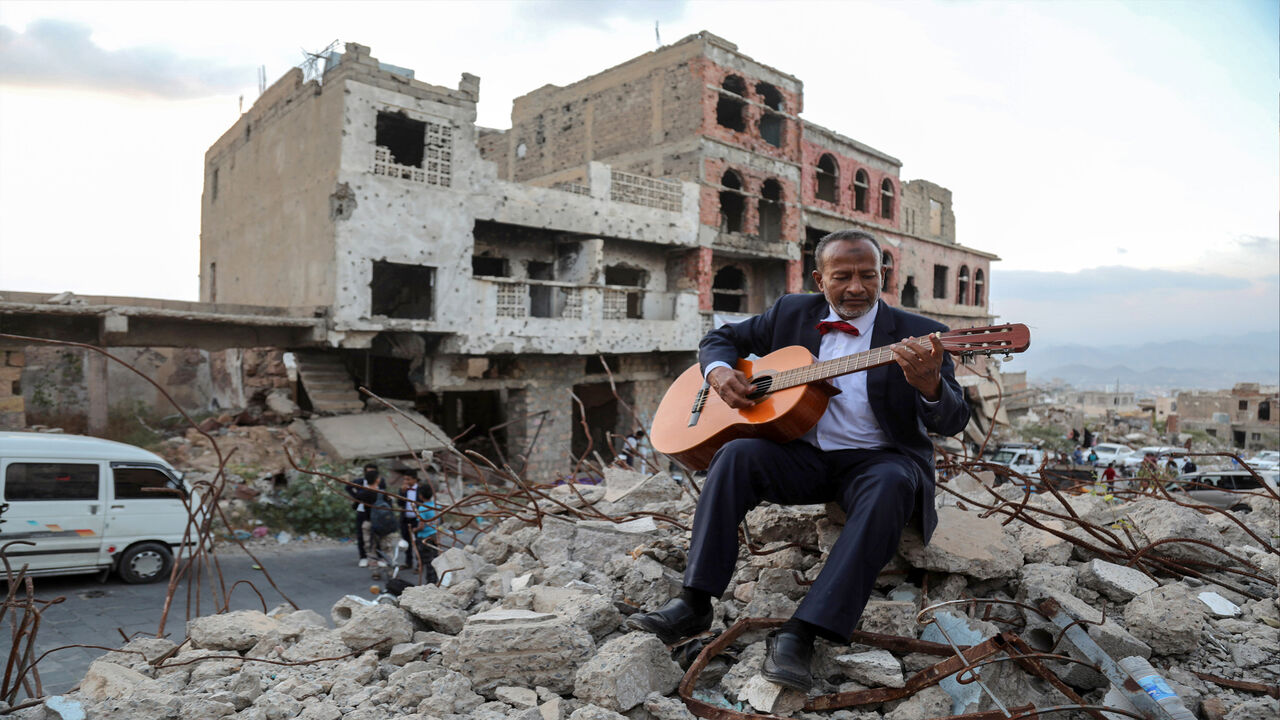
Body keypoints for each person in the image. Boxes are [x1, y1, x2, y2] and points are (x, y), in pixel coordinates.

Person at [625, 230, 969, 691]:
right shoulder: (791, 312)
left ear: (883, 277)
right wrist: (720, 373)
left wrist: (930, 386)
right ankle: (694, 601)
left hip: (878, 462)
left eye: (868, 276)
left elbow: (954, 420)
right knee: (735, 454)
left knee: (892, 483)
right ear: (819, 280)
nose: (856, 287)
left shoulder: (921, 335)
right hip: (801, 456)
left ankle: (803, 632)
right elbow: (720, 338)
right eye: (842, 277)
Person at [347, 462, 387, 568]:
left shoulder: (381, 483)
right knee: (362, 535)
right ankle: (363, 557)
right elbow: (348, 487)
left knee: (378, 536)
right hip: (363, 512)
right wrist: (357, 497)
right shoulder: (359, 482)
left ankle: (380, 557)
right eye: (368, 472)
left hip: (377, 514)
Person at [409, 468, 441, 585]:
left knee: (427, 561)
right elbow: (439, 521)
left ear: (421, 496)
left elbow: (421, 526)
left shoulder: (422, 508)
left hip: (424, 538)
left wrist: (414, 530)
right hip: (434, 535)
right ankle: (435, 580)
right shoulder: (436, 506)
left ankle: (430, 582)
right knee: (435, 559)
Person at [395, 464, 425, 570]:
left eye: (408, 479)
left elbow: (423, 504)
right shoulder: (403, 490)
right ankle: (408, 562)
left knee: (418, 542)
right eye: (404, 479)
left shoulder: (420, 490)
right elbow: (399, 503)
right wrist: (403, 493)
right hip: (405, 519)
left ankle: (419, 564)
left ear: (415, 479)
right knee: (406, 541)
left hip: (416, 520)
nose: (406, 482)